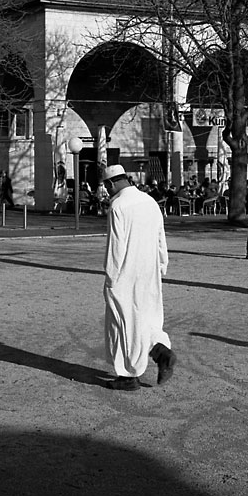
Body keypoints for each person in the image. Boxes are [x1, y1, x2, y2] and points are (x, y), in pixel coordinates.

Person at [101, 164, 176, 391]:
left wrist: (111, 276)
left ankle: (128, 375)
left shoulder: (118, 206)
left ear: (111, 183)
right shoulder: (150, 202)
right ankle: (160, 351)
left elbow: (116, 245)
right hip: (149, 269)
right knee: (147, 317)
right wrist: (162, 263)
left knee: (124, 322)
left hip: (126, 272)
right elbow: (160, 237)